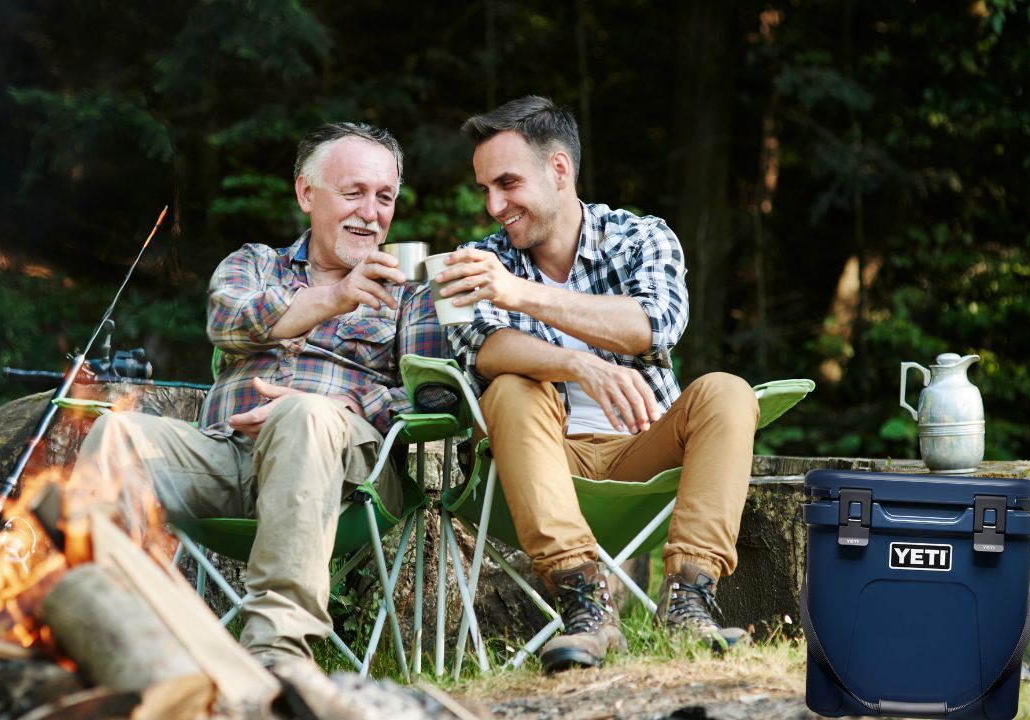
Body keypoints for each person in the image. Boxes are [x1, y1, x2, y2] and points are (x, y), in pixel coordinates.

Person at [65, 122, 443, 667]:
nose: (371, 212)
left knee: (306, 417)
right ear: (306, 194)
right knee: (116, 432)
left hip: (347, 472)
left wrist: (352, 408)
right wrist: (333, 297)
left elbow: (432, 394)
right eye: (354, 192)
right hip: (227, 456)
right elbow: (229, 324)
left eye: (384, 197)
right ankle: (108, 641)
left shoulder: (413, 292)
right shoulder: (254, 263)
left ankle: (276, 652)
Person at [439, 96, 758, 673]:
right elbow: (483, 350)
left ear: (559, 170)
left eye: (507, 183)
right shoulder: (478, 261)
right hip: (540, 459)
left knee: (729, 391)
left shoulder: (641, 237)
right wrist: (579, 364)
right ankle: (585, 602)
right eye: (485, 188)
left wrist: (520, 295)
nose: (493, 205)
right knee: (510, 386)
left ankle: (688, 599)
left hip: (645, 449)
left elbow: (651, 324)